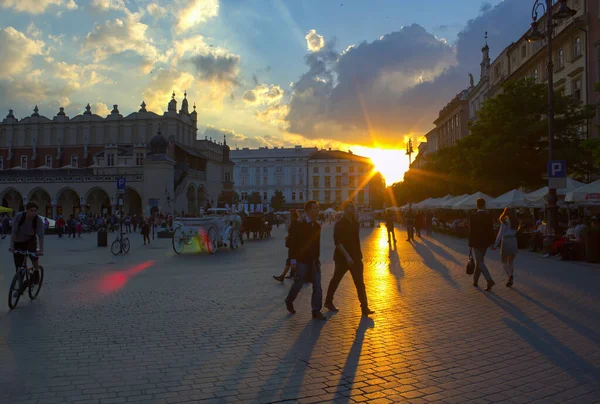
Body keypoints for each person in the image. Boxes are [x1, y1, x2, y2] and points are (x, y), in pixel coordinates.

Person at [325, 200, 375, 317]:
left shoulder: (356, 223)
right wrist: (347, 257)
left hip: (356, 257)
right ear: (344, 209)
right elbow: (337, 242)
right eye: (350, 207)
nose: (352, 209)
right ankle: (328, 301)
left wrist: (358, 255)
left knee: (360, 283)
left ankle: (364, 307)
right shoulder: (339, 224)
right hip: (342, 258)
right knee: (336, 280)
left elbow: (356, 241)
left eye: (353, 206)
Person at [285, 200, 326, 320]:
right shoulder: (299, 225)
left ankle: (316, 310)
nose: (317, 210)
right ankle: (289, 300)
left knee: (317, 286)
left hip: (313, 261)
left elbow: (316, 245)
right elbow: (291, 245)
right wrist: (292, 262)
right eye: (314, 208)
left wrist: (317, 259)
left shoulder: (317, 226)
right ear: (307, 210)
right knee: (298, 282)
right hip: (301, 260)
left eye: (318, 208)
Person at [9, 202, 44, 285]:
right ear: (26, 210)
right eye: (31, 210)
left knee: (33, 256)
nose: (34, 213)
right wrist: (11, 246)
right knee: (19, 265)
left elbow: (41, 236)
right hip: (18, 241)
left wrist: (41, 250)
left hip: (30, 239)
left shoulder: (38, 220)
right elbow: (13, 232)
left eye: (35, 211)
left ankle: (36, 270)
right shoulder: (19, 216)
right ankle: (20, 284)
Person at [468, 198, 496, 291]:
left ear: (477, 205)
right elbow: (491, 231)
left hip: (476, 242)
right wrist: (492, 242)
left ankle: (489, 280)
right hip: (485, 243)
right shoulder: (488, 216)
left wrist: (470, 244)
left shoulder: (473, 216)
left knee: (480, 262)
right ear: (484, 205)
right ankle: (475, 280)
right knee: (479, 262)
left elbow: (471, 232)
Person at [494, 208, 519, 287]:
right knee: (510, 261)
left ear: (505, 213)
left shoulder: (505, 222)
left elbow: (500, 233)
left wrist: (495, 244)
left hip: (506, 241)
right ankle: (511, 276)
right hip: (514, 240)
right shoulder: (516, 221)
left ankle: (510, 276)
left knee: (503, 262)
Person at [273, 210, 299, 282]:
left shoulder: (294, 224)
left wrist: (289, 238)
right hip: (294, 246)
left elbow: (294, 235)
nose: (289, 217)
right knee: (291, 261)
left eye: (290, 215)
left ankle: (292, 275)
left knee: (291, 260)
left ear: (293, 216)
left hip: (293, 246)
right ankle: (291, 275)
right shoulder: (296, 223)